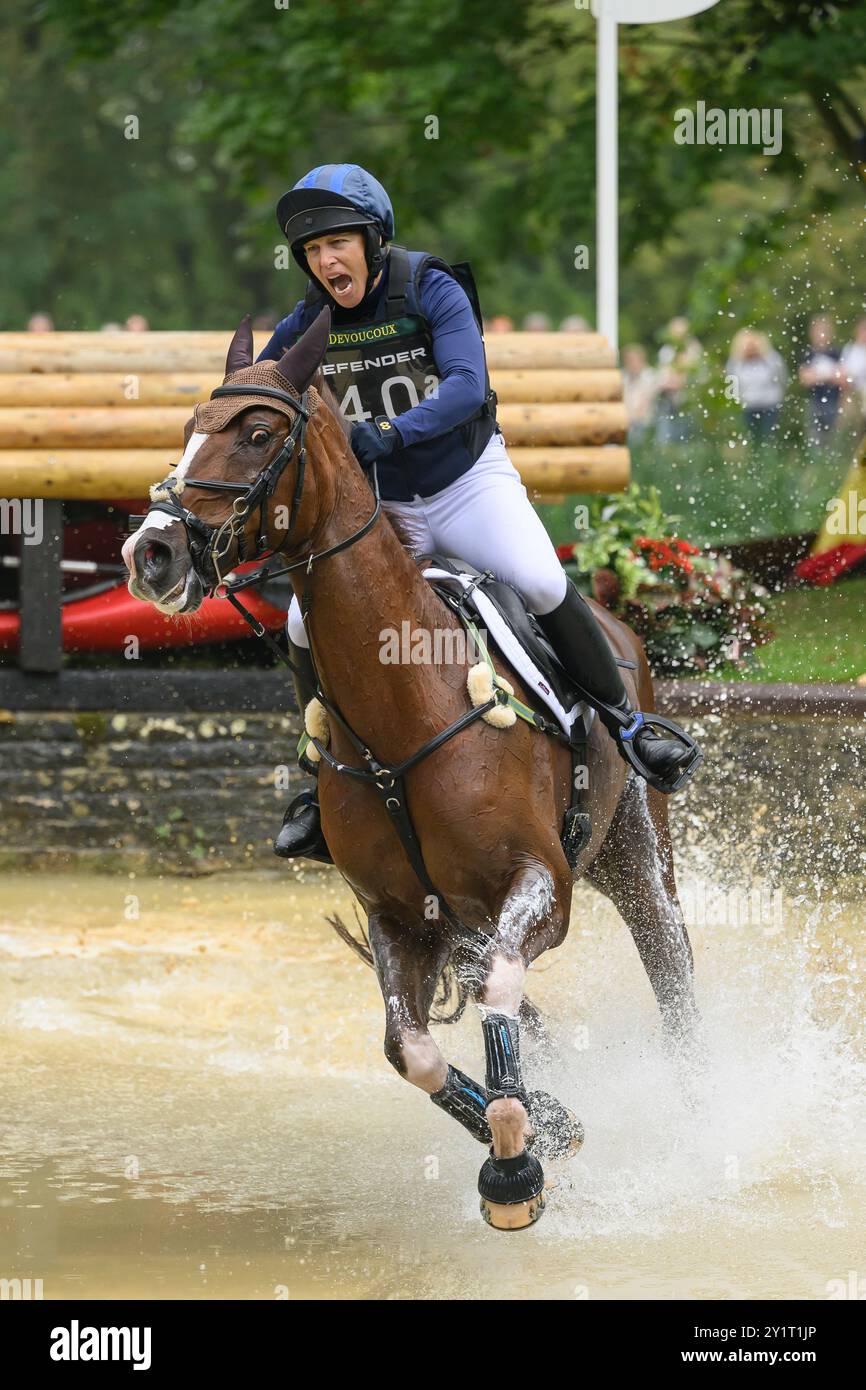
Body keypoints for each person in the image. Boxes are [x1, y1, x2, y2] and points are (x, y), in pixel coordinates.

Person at [259, 164, 699, 861]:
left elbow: (468, 386)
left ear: (373, 242)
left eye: (336, 244)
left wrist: (393, 434)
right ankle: (321, 780)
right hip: (386, 511)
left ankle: (627, 724)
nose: (325, 261)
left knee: (542, 580)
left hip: (465, 483)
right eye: (312, 252)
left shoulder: (429, 286)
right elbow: (262, 388)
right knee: (299, 622)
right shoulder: (308, 321)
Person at [725, 329, 787, 439]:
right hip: (747, 407)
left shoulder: (770, 359)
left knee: (769, 437)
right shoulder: (735, 363)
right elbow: (731, 389)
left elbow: (781, 378)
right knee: (750, 438)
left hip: (770, 405)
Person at [798, 315, 845, 446]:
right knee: (814, 439)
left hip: (834, 401)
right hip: (814, 401)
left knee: (834, 439)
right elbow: (805, 379)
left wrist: (818, 376)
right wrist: (829, 374)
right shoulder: (807, 354)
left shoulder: (837, 352)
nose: (821, 334)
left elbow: (842, 378)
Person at [621, 344, 658, 445]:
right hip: (627, 422)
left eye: (635, 360)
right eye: (630, 361)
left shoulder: (650, 377)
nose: (633, 364)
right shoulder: (623, 377)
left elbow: (646, 402)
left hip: (645, 423)